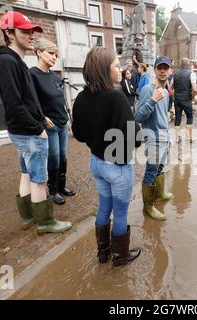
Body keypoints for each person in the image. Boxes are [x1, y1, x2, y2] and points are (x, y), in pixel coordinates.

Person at [0, 11, 72, 233]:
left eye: (31, 31)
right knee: (39, 179)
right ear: (9, 33)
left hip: (26, 129)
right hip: (28, 131)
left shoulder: (13, 60)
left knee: (27, 174)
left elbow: (25, 100)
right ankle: (46, 223)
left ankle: (28, 218)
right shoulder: (7, 61)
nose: (30, 35)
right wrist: (39, 129)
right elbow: (14, 104)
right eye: (24, 31)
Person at [72, 47, 142, 267]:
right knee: (120, 212)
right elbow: (135, 138)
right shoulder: (117, 97)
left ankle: (103, 253)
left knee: (104, 207)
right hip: (118, 166)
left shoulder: (81, 97)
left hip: (96, 163)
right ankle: (120, 256)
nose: (120, 69)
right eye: (116, 65)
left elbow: (79, 134)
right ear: (105, 70)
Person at [29, 38, 76, 206]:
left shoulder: (55, 76)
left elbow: (60, 100)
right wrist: (42, 117)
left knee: (63, 157)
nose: (54, 57)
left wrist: (68, 119)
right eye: (50, 53)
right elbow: (30, 100)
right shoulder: (32, 74)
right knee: (54, 158)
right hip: (50, 126)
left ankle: (62, 186)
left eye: (56, 55)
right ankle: (53, 190)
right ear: (39, 52)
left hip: (62, 123)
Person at [135, 56, 174, 221]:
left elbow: (163, 116)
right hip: (152, 139)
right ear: (155, 70)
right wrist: (152, 100)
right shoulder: (147, 90)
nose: (163, 71)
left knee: (160, 168)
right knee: (150, 172)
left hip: (164, 138)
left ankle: (160, 194)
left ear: (171, 70)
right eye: (160, 68)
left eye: (166, 68)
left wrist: (169, 134)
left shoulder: (165, 91)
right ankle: (148, 207)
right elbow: (138, 116)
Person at [171, 58, 197, 143]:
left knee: (177, 118)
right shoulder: (191, 74)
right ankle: (189, 137)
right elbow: (195, 89)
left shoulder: (175, 74)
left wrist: (174, 96)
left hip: (177, 100)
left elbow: (171, 87)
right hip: (186, 99)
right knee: (189, 117)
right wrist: (192, 97)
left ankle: (178, 137)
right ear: (188, 65)